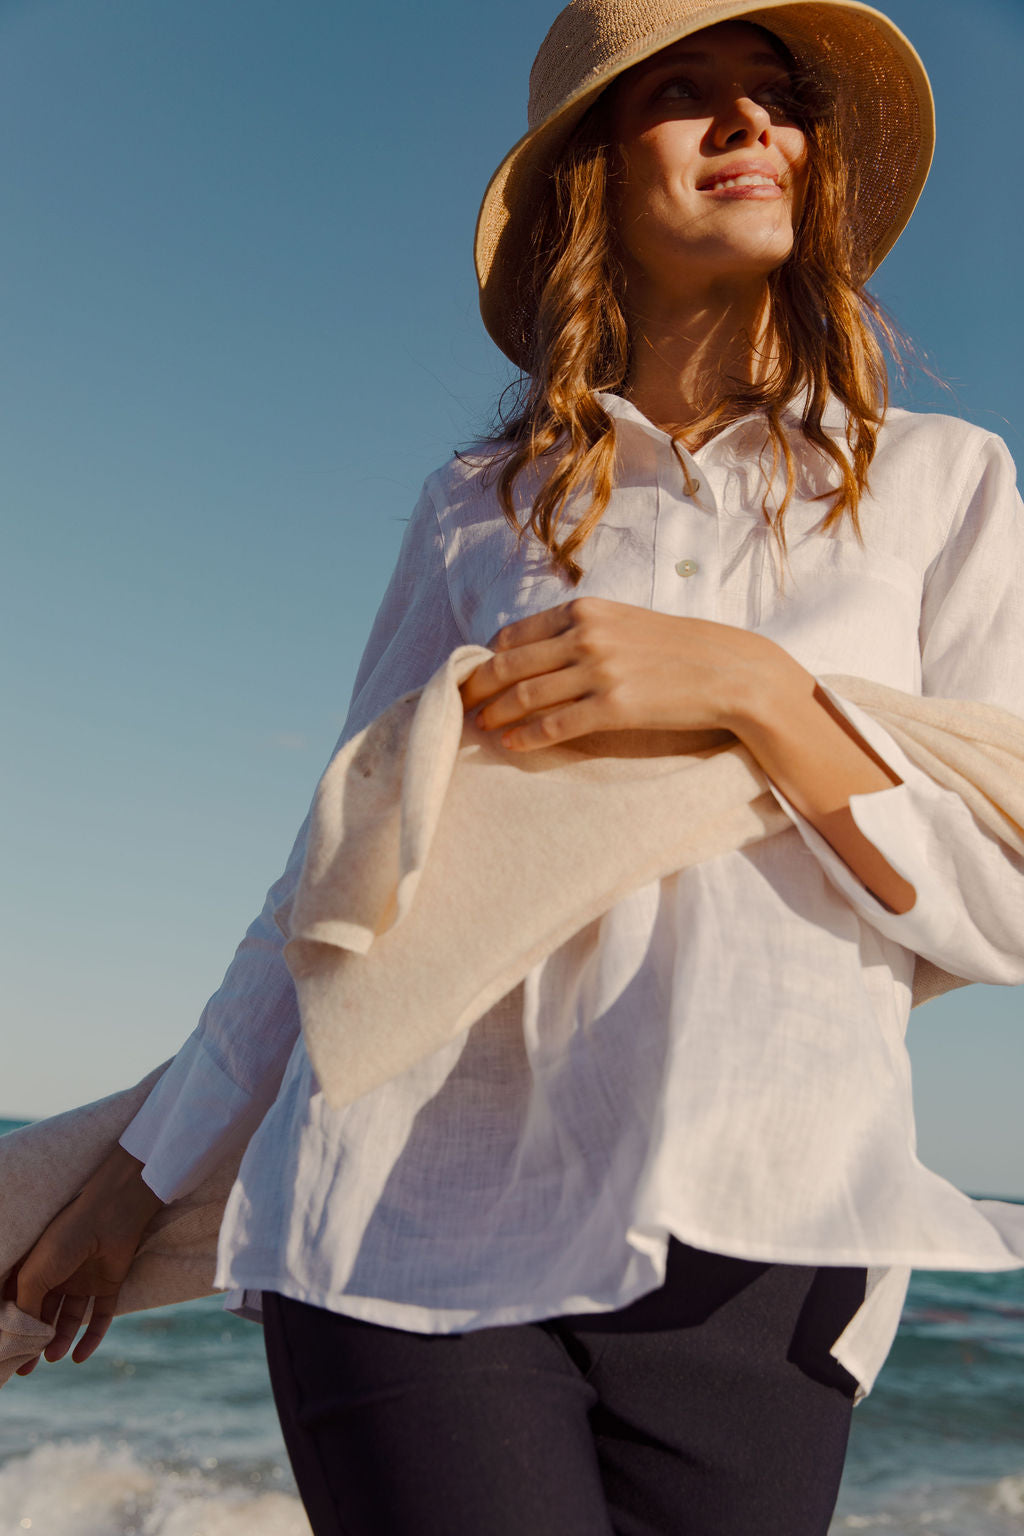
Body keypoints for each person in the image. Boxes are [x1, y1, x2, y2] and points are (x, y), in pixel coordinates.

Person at [6, 0, 1024, 1532]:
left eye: (779, 98)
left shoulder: (944, 487)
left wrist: (756, 692)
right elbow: (343, 879)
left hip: (767, 1235)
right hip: (413, 1213)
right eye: (686, 97)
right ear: (592, 182)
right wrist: (136, 1183)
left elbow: (1001, 891)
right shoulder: (480, 509)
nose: (751, 126)